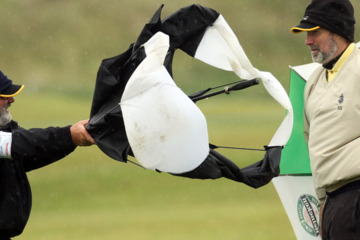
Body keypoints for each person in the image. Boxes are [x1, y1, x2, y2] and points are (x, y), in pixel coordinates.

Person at [291, 0, 359, 239]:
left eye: (315, 33)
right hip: (333, 204)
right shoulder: (314, 81)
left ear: (337, 30)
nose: (308, 41)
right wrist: (322, 202)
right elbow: (313, 143)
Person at [0, 70, 95, 240]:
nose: (11, 100)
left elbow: (29, 153)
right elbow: (21, 145)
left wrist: (72, 139)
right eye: (4, 96)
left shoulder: (5, 129)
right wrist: (69, 135)